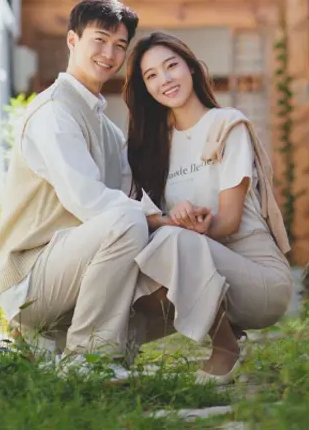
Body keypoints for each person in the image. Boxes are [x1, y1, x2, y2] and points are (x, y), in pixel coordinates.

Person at [0, 0, 164, 372]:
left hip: (70, 267)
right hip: (29, 277)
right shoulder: (55, 111)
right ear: (73, 40)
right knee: (129, 221)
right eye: (99, 40)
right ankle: (87, 359)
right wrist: (154, 218)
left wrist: (175, 221)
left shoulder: (107, 129)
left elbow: (129, 195)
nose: (109, 54)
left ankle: (72, 346)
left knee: (176, 246)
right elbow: (87, 200)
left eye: (119, 45)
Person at [124, 31, 293, 384]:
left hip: (258, 277)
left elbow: (229, 221)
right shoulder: (155, 147)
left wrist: (191, 227)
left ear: (191, 68)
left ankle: (225, 349)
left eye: (171, 66)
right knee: (132, 266)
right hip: (203, 267)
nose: (164, 79)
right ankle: (107, 348)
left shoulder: (227, 124)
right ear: (146, 88)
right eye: (151, 75)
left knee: (173, 240)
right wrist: (174, 219)